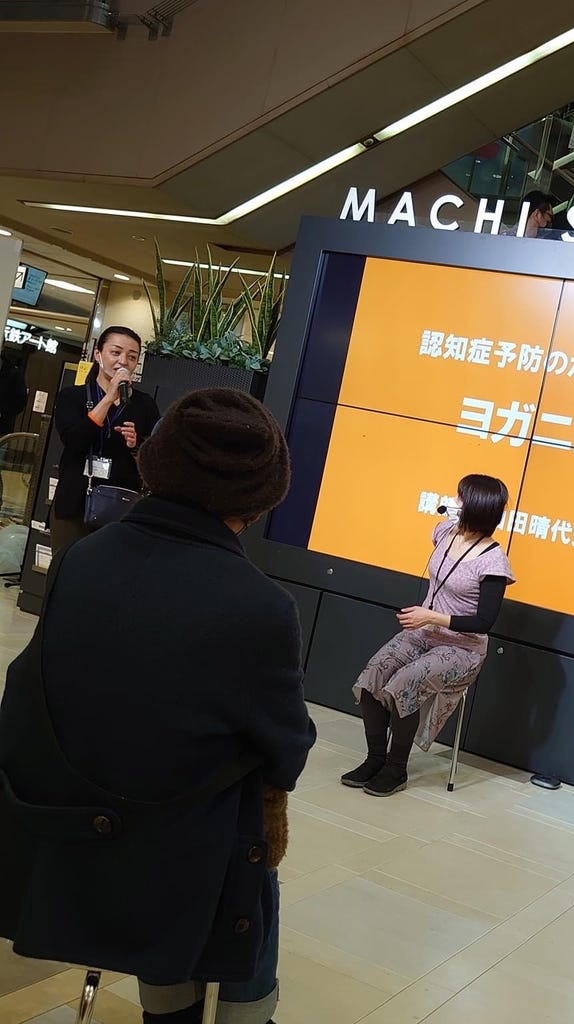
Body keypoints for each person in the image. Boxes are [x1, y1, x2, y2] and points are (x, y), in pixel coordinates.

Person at [0, 388, 317, 1024]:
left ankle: (167, 1006)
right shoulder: (261, 606)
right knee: (253, 853)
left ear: (158, 460)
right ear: (260, 498)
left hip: (63, 829)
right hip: (178, 856)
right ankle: (246, 1012)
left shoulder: (84, 558)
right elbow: (287, 752)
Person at [343, 474, 515, 796]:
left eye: (460, 498)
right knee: (372, 677)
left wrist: (433, 616)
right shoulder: (444, 531)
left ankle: (396, 769)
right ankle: (375, 759)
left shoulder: (494, 562)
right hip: (424, 632)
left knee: (404, 683)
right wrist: (428, 620)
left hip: (463, 648)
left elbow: (484, 622)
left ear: (475, 507)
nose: (453, 501)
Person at [49, 325, 160, 553]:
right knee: (66, 566)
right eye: (115, 352)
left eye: (132, 357)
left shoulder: (145, 404)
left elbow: (156, 461)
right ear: (98, 354)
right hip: (75, 501)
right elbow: (74, 441)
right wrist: (109, 397)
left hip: (121, 506)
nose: (123, 361)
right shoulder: (73, 396)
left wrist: (136, 445)